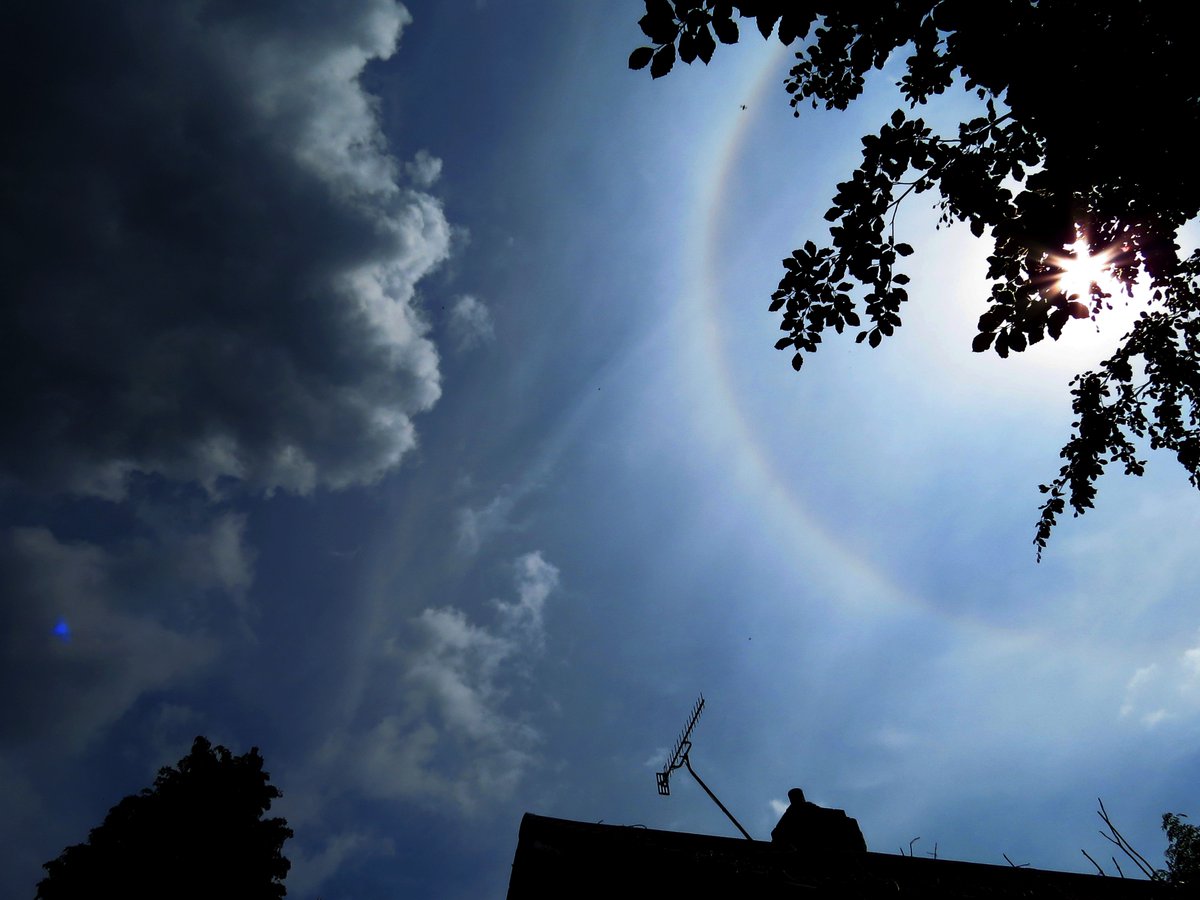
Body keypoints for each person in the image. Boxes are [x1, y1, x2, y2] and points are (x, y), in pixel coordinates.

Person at [771, 787, 867, 857]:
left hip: (821, 832)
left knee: (850, 823)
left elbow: (822, 813)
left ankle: (857, 850)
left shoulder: (808, 806)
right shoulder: (791, 812)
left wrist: (838, 814)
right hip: (807, 839)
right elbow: (777, 832)